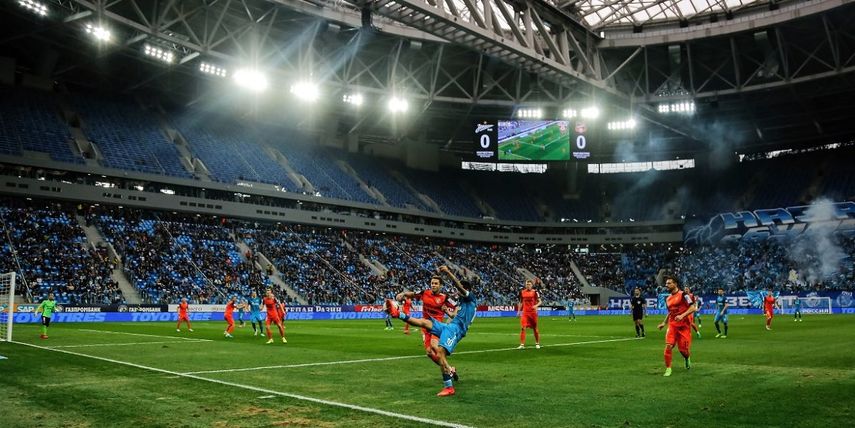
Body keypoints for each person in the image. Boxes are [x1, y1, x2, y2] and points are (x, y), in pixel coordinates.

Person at [385, 265, 477, 397]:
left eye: (436, 283)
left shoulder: (470, 298)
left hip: (457, 329)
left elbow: (457, 285)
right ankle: (398, 314)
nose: (456, 292)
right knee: (424, 323)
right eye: (432, 283)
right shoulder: (461, 302)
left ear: (465, 289)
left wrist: (447, 272)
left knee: (439, 351)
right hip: (450, 325)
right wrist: (448, 312)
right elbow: (454, 315)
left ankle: (449, 387)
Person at [396, 274, 455, 369]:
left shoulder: (445, 297)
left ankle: (448, 370)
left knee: (434, 346)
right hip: (424, 325)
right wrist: (403, 294)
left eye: (436, 283)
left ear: (441, 286)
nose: (433, 285)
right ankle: (450, 368)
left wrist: (449, 313)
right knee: (429, 352)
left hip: (437, 326)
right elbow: (413, 294)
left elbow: (456, 307)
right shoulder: (425, 293)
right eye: (432, 283)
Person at [657, 276, 696, 377]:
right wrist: (664, 323)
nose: (667, 285)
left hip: (684, 326)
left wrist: (682, 315)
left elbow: (693, 308)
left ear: (675, 284)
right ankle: (668, 368)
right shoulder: (668, 298)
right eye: (666, 284)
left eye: (669, 283)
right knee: (669, 346)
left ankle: (687, 358)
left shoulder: (684, 294)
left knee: (683, 350)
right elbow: (670, 312)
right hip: (673, 325)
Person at [517, 278, 542, 349]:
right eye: (527, 284)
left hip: (533, 313)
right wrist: (518, 312)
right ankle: (522, 344)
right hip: (525, 313)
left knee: (535, 328)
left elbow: (540, 301)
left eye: (529, 284)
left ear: (532, 285)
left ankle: (537, 343)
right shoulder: (522, 292)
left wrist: (535, 306)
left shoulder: (535, 292)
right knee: (523, 328)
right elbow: (520, 302)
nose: (528, 285)